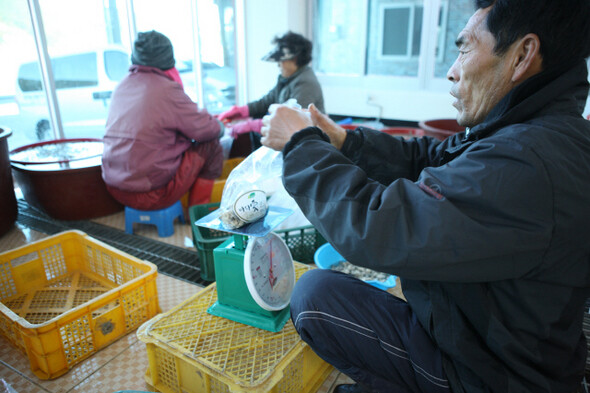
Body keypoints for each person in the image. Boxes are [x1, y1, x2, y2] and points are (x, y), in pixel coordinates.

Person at [260, 0, 590, 392]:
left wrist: (301, 145)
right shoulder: (534, 130)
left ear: (521, 55)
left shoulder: (528, 164)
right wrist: (346, 142)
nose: (451, 71)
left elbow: (379, 228)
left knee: (314, 297)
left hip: (492, 374)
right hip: (494, 341)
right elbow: (430, 157)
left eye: (464, 48)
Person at [102, 30, 223, 211]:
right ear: (169, 59)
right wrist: (220, 125)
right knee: (211, 145)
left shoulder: (121, 85)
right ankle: (199, 215)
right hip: (151, 194)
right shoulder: (167, 90)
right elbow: (207, 129)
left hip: (113, 188)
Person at [217, 31, 324, 149]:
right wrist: (241, 111)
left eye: (281, 61)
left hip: (307, 145)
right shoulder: (287, 79)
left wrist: (252, 125)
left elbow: (294, 122)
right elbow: (266, 101)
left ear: (294, 59)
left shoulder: (305, 83)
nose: (278, 65)